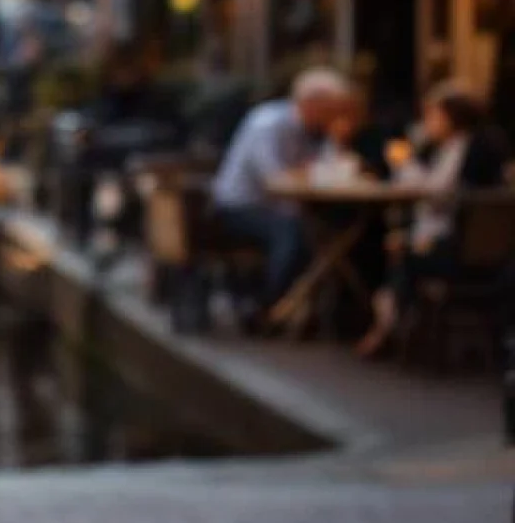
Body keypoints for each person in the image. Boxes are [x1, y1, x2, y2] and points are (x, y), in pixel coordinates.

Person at [355, 82, 510, 358]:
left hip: (456, 248)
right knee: (399, 245)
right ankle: (396, 322)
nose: (427, 122)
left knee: (398, 250)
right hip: (481, 249)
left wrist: (404, 160)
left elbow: (436, 195)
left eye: (432, 115)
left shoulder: (461, 150)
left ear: (450, 117)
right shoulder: (468, 148)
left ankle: (393, 323)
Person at [210, 67, 352, 326]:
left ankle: (323, 310)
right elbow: (273, 178)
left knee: (335, 229)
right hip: (242, 205)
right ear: (312, 103)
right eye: (330, 109)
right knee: (290, 233)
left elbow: (329, 168)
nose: (334, 116)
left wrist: (336, 141)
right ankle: (269, 306)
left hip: (289, 206)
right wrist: (310, 172)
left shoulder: (317, 132)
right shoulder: (268, 123)